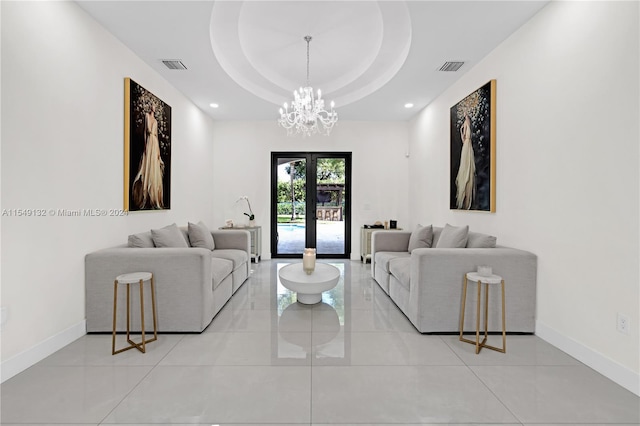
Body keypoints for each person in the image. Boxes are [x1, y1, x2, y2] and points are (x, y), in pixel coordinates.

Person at [132, 102, 164, 209]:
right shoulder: (147, 116)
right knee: (146, 165)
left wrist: (158, 151)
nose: (153, 107)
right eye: (152, 105)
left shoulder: (155, 121)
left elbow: (157, 137)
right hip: (149, 141)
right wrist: (145, 145)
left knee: (154, 166)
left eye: (154, 106)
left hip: (154, 142)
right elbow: (145, 131)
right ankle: (145, 195)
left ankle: (153, 196)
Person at [455, 114, 475, 209]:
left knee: (467, 168)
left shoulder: (467, 123)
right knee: (466, 168)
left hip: (467, 146)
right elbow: (464, 138)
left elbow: (464, 137)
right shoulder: (467, 124)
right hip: (467, 146)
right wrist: (462, 131)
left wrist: (462, 131)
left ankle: (466, 198)